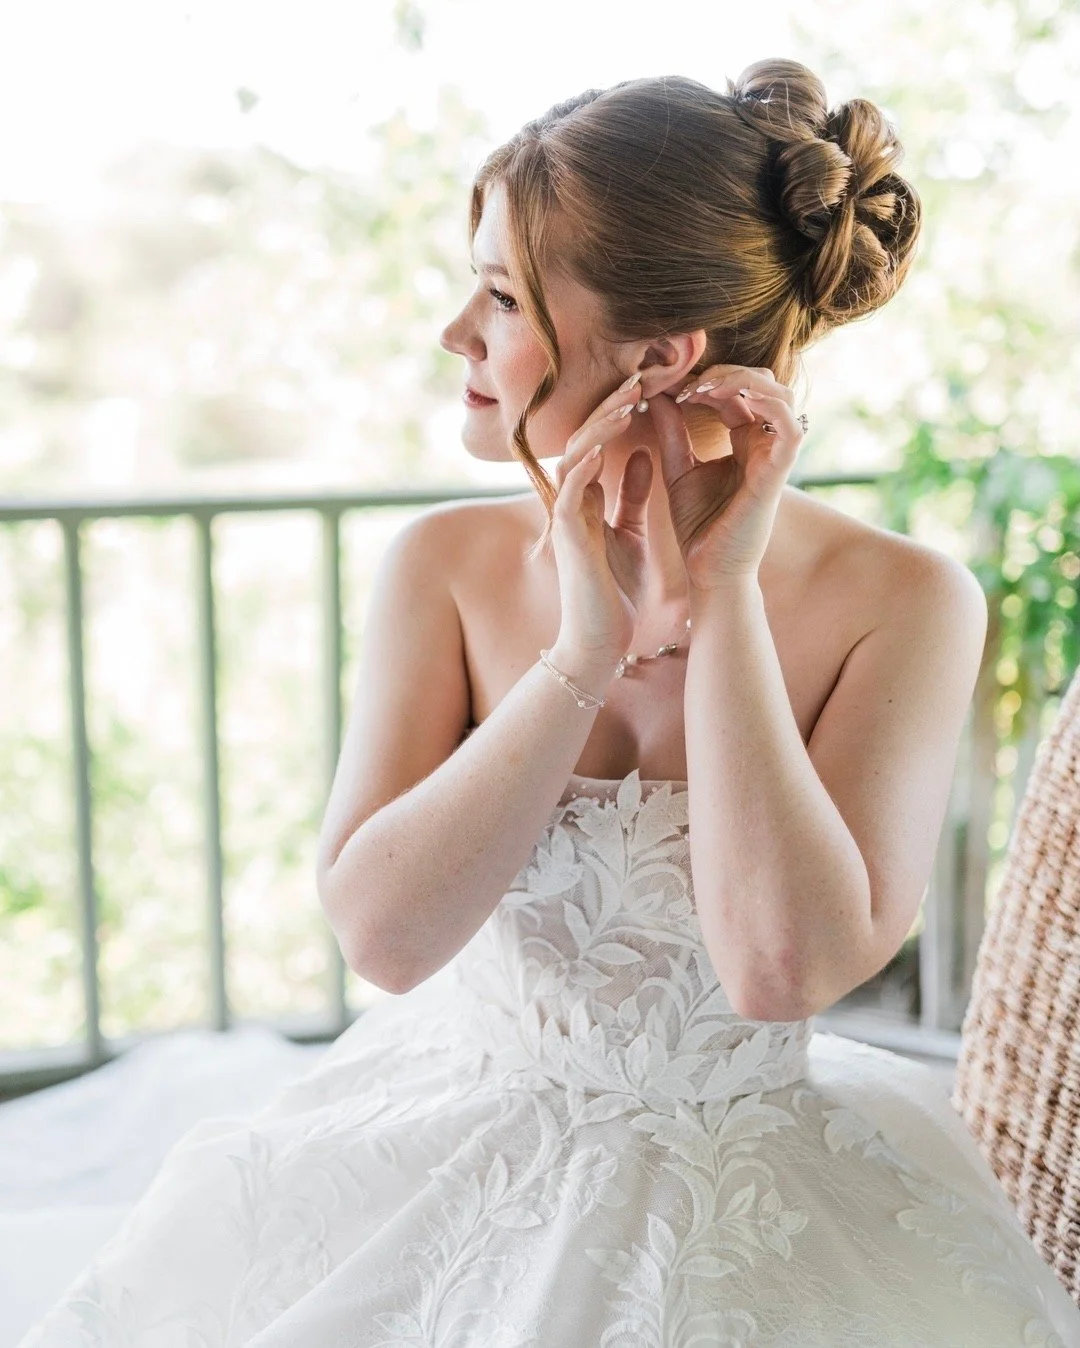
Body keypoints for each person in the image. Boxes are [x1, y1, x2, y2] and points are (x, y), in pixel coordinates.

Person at [21, 59, 1080, 1348]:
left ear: (660, 357)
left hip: (759, 1205)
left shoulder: (907, 600)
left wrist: (727, 590)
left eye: (504, 296)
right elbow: (385, 941)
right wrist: (583, 650)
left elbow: (780, 967)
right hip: (443, 1153)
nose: (455, 333)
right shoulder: (445, 570)